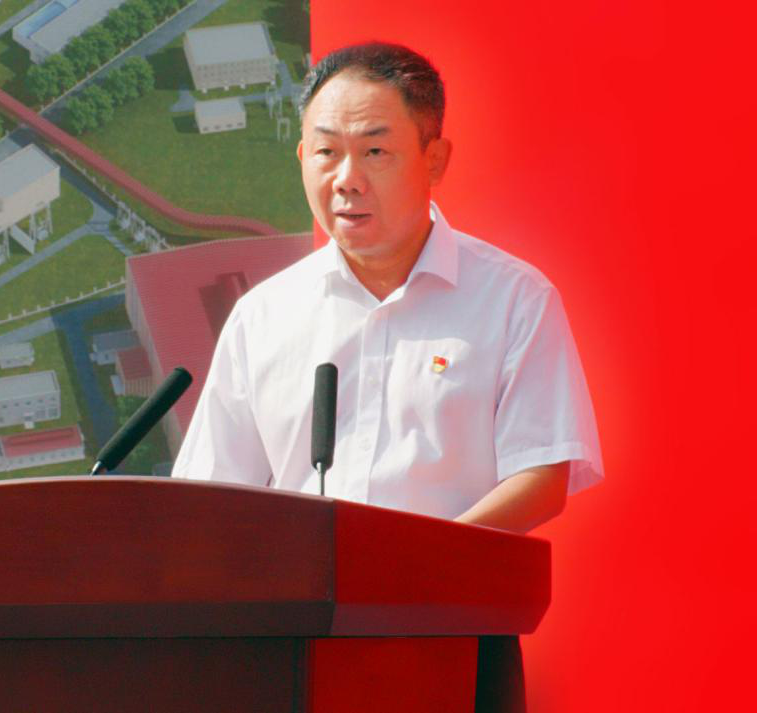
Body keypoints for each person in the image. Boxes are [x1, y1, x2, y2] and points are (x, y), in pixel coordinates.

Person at [172, 42, 604, 711]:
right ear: (301, 157)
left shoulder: (511, 298)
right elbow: (209, 494)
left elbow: (541, 477)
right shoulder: (264, 315)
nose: (346, 178)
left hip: (452, 636)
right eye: (326, 151)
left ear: (434, 159)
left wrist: (408, 566)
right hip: (289, 649)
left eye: (374, 151)